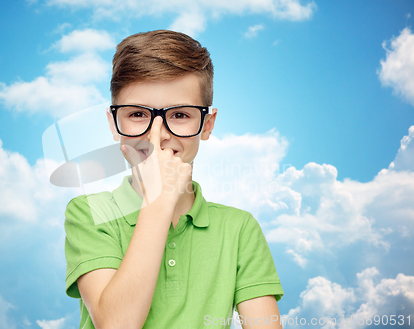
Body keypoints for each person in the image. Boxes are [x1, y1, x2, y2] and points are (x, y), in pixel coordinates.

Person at [64, 30, 284, 329]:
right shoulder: (90, 213)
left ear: (207, 125)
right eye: (138, 114)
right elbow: (117, 324)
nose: (159, 135)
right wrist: (159, 201)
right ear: (114, 124)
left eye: (180, 115)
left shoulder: (239, 229)